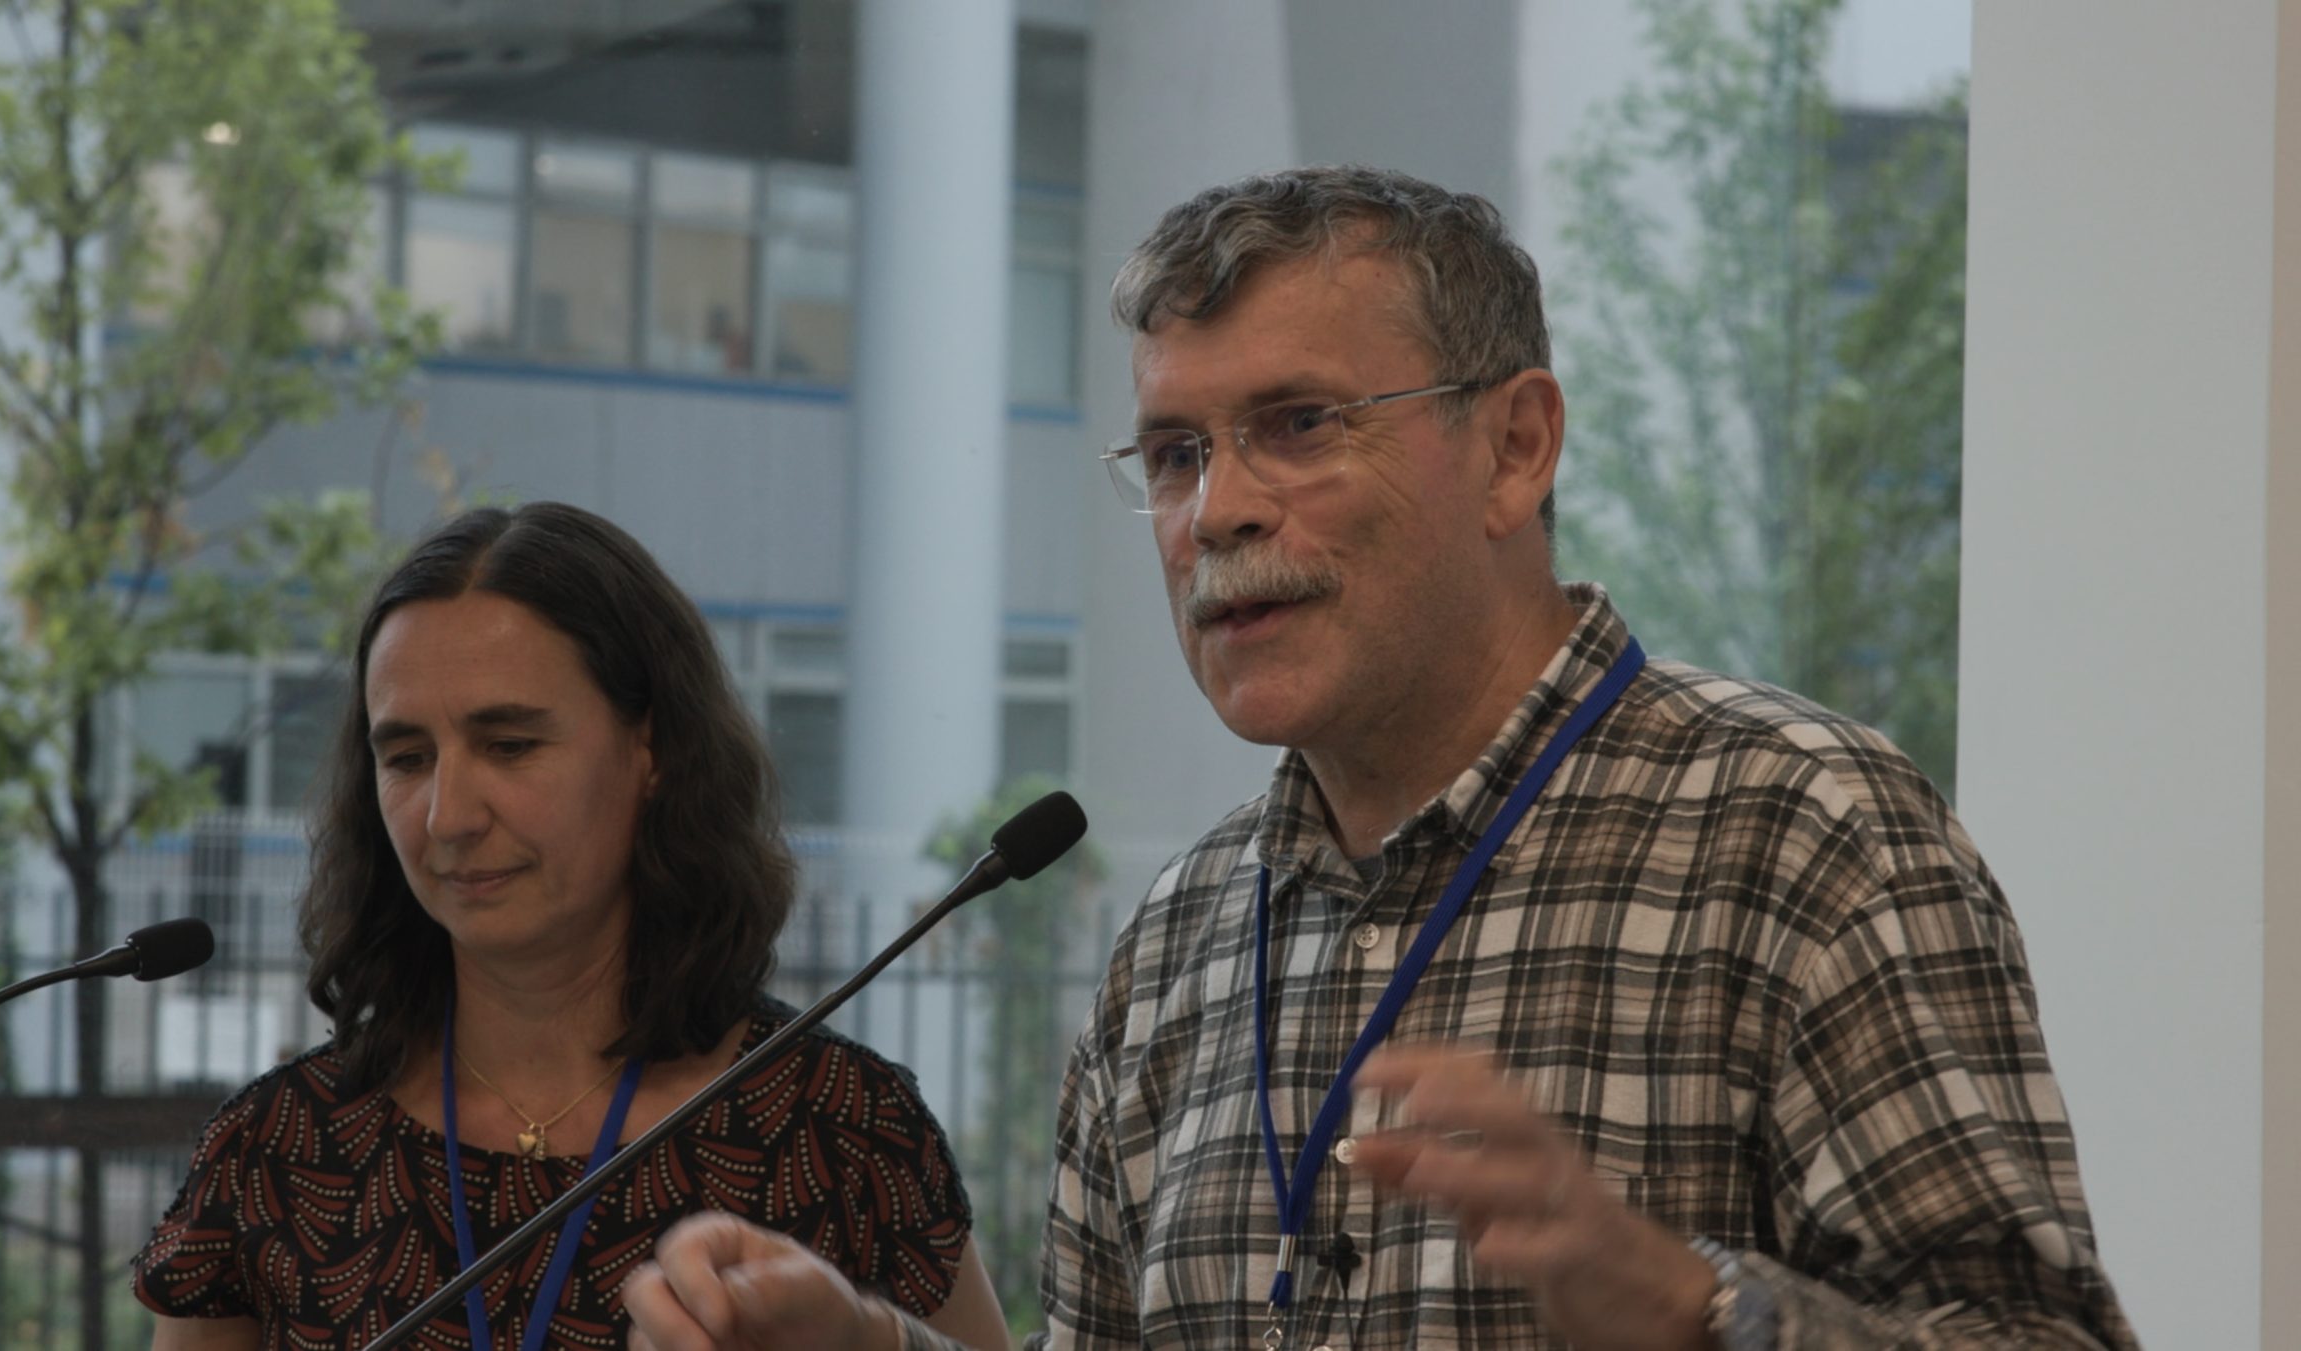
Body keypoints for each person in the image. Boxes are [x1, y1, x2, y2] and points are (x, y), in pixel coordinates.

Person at [621, 166, 2143, 1351]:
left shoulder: (1804, 830)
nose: (1216, 510)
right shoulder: (1173, 945)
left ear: (1516, 448)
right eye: (1174, 454)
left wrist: (1691, 1309)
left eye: (1297, 423)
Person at [134, 503, 1009, 1350]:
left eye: (509, 745)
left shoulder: (841, 1124)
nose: (447, 815)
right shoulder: (276, 1147)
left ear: (652, 750)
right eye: (406, 757)